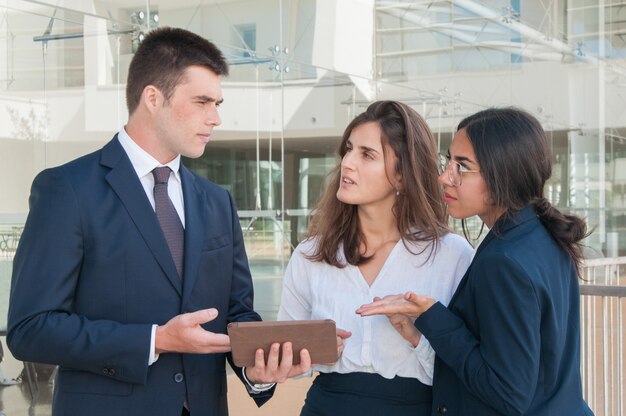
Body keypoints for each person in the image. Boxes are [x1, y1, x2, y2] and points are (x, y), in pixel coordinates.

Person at [7, 27, 309, 416]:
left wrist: (257, 367)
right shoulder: (67, 190)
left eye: (217, 103)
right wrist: (156, 340)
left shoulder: (217, 202)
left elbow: (236, 315)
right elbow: (31, 329)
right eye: (202, 102)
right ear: (152, 97)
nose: (215, 118)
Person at [357, 107, 595, 416]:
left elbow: (508, 393)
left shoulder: (504, 261)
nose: (445, 177)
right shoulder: (540, 236)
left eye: (462, 166)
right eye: (448, 161)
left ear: (503, 173)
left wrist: (433, 317)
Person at [278, 101, 473, 415]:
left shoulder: (453, 256)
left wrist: (418, 338)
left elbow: (471, 369)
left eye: (366, 154)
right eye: (348, 149)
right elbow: (288, 358)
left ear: (401, 175)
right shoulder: (310, 255)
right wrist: (298, 357)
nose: (347, 162)